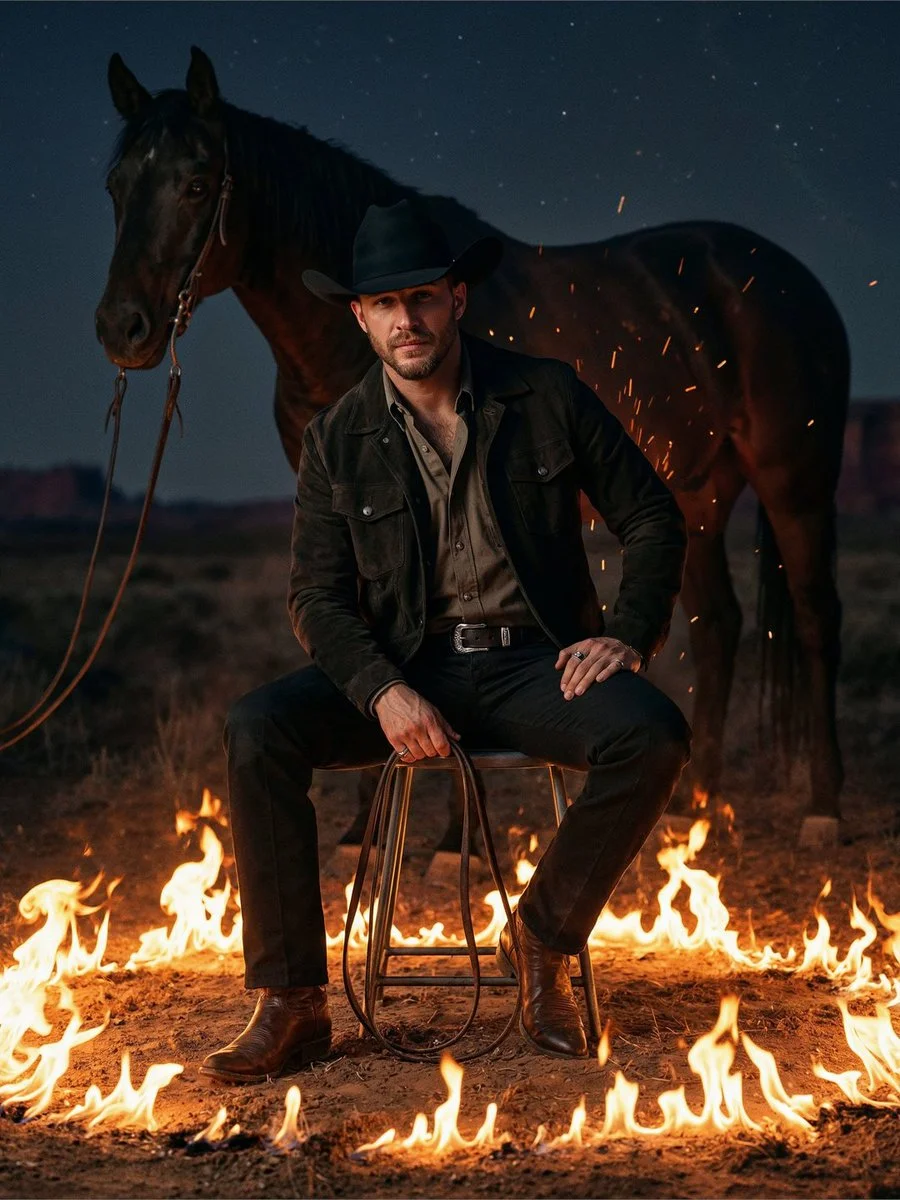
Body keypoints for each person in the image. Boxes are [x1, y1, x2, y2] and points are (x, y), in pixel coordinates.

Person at [201, 199, 691, 1082]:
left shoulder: (546, 393)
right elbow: (316, 596)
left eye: (422, 297)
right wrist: (381, 689)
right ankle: (293, 1004)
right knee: (256, 728)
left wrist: (625, 634)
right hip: (406, 669)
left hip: (531, 664)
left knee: (651, 735)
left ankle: (542, 943)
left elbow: (653, 516)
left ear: (457, 298)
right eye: (384, 305)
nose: (406, 320)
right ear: (359, 315)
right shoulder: (337, 437)